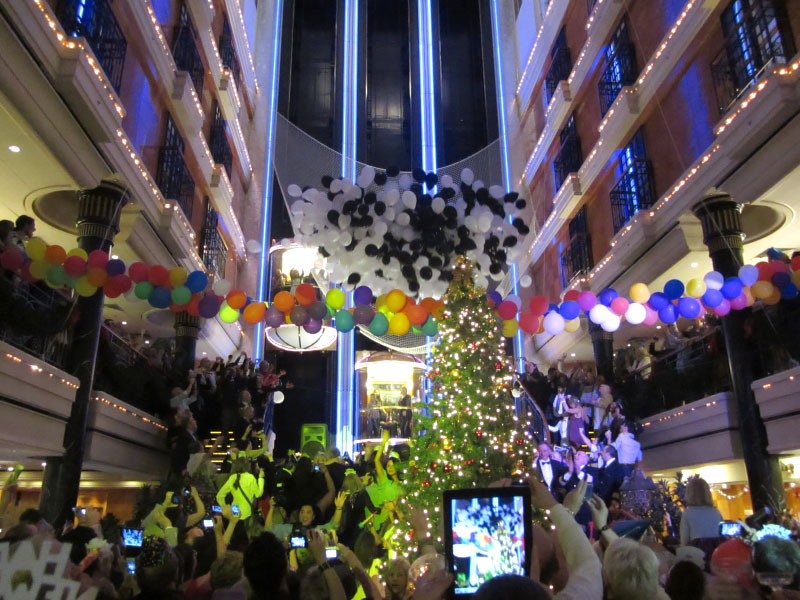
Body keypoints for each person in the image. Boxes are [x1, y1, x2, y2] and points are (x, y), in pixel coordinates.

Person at [679, 477, 724, 546]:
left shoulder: (688, 513)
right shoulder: (716, 512)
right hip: (716, 552)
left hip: (698, 552)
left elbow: (684, 541)